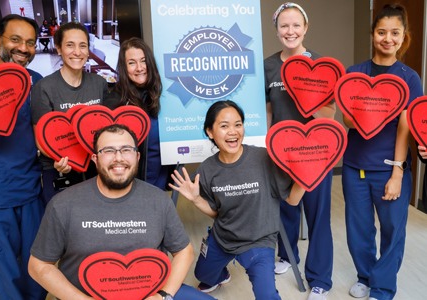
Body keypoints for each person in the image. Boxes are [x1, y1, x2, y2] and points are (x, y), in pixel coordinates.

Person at [28, 124, 216, 300]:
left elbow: (184, 252)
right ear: (95, 158)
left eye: (127, 150)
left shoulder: (158, 200)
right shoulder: (63, 204)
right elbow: (38, 265)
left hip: (150, 293)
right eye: (108, 151)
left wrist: (163, 296)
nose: (119, 157)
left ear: (137, 157)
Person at [170, 100, 305, 300]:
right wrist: (196, 199)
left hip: (259, 241)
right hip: (223, 239)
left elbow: (292, 200)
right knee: (202, 276)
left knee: (267, 295)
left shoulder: (264, 158)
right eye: (224, 126)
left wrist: (306, 178)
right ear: (210, 132)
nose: (233, 131)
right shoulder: (207, 169)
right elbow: (217, 212)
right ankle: (222, 274)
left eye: (238, 124)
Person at [342, 5, 423, 300]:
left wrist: (397, 171)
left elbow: (405, 127)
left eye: (395, 33)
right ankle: (365, 276)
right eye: (381, 32)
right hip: (354, 167)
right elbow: (348, 121)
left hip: (389, 166)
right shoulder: (354, 74)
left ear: (403, 37)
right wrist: (361, 113)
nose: (387, 38)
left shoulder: (409, 78)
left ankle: (383, 287)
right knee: (359, 231)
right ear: (373, 34)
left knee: (392, 232)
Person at [264, 3, 335, 299]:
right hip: (281, 151)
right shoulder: (268, 66)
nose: (290, 31)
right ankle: (286, 255)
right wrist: (265, 147)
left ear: (305, 28)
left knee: (317, 215)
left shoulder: (323, 65)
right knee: (286, 208)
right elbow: (268, 110)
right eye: (284, 26)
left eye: (296, 25)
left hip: (317, 152)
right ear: (277, 29)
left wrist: (303, 91)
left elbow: (330, 113)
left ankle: (319, 279)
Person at [0, 14, 47, 300]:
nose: (24, 48)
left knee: (37, 269)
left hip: (31, 190)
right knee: (5, 273)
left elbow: (40, 131)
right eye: (15, 40)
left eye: (30, 43)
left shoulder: (35, 80)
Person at [31, 22, 108, 204]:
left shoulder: (99, 83)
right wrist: (61, 159)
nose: (77, 52)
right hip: (59, 169)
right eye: (69, 45)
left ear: (89, 50)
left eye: (83, 46)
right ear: (58, 49)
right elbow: (41, 140)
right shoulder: (44, 87)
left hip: (94, 168)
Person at [105, 37, 168, 190]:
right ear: (124, 67)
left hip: (162, 179)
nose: (139, 68)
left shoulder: (163, 95)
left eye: (143, 61)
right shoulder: (114, 103)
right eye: (132, 63)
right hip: (131, 185)